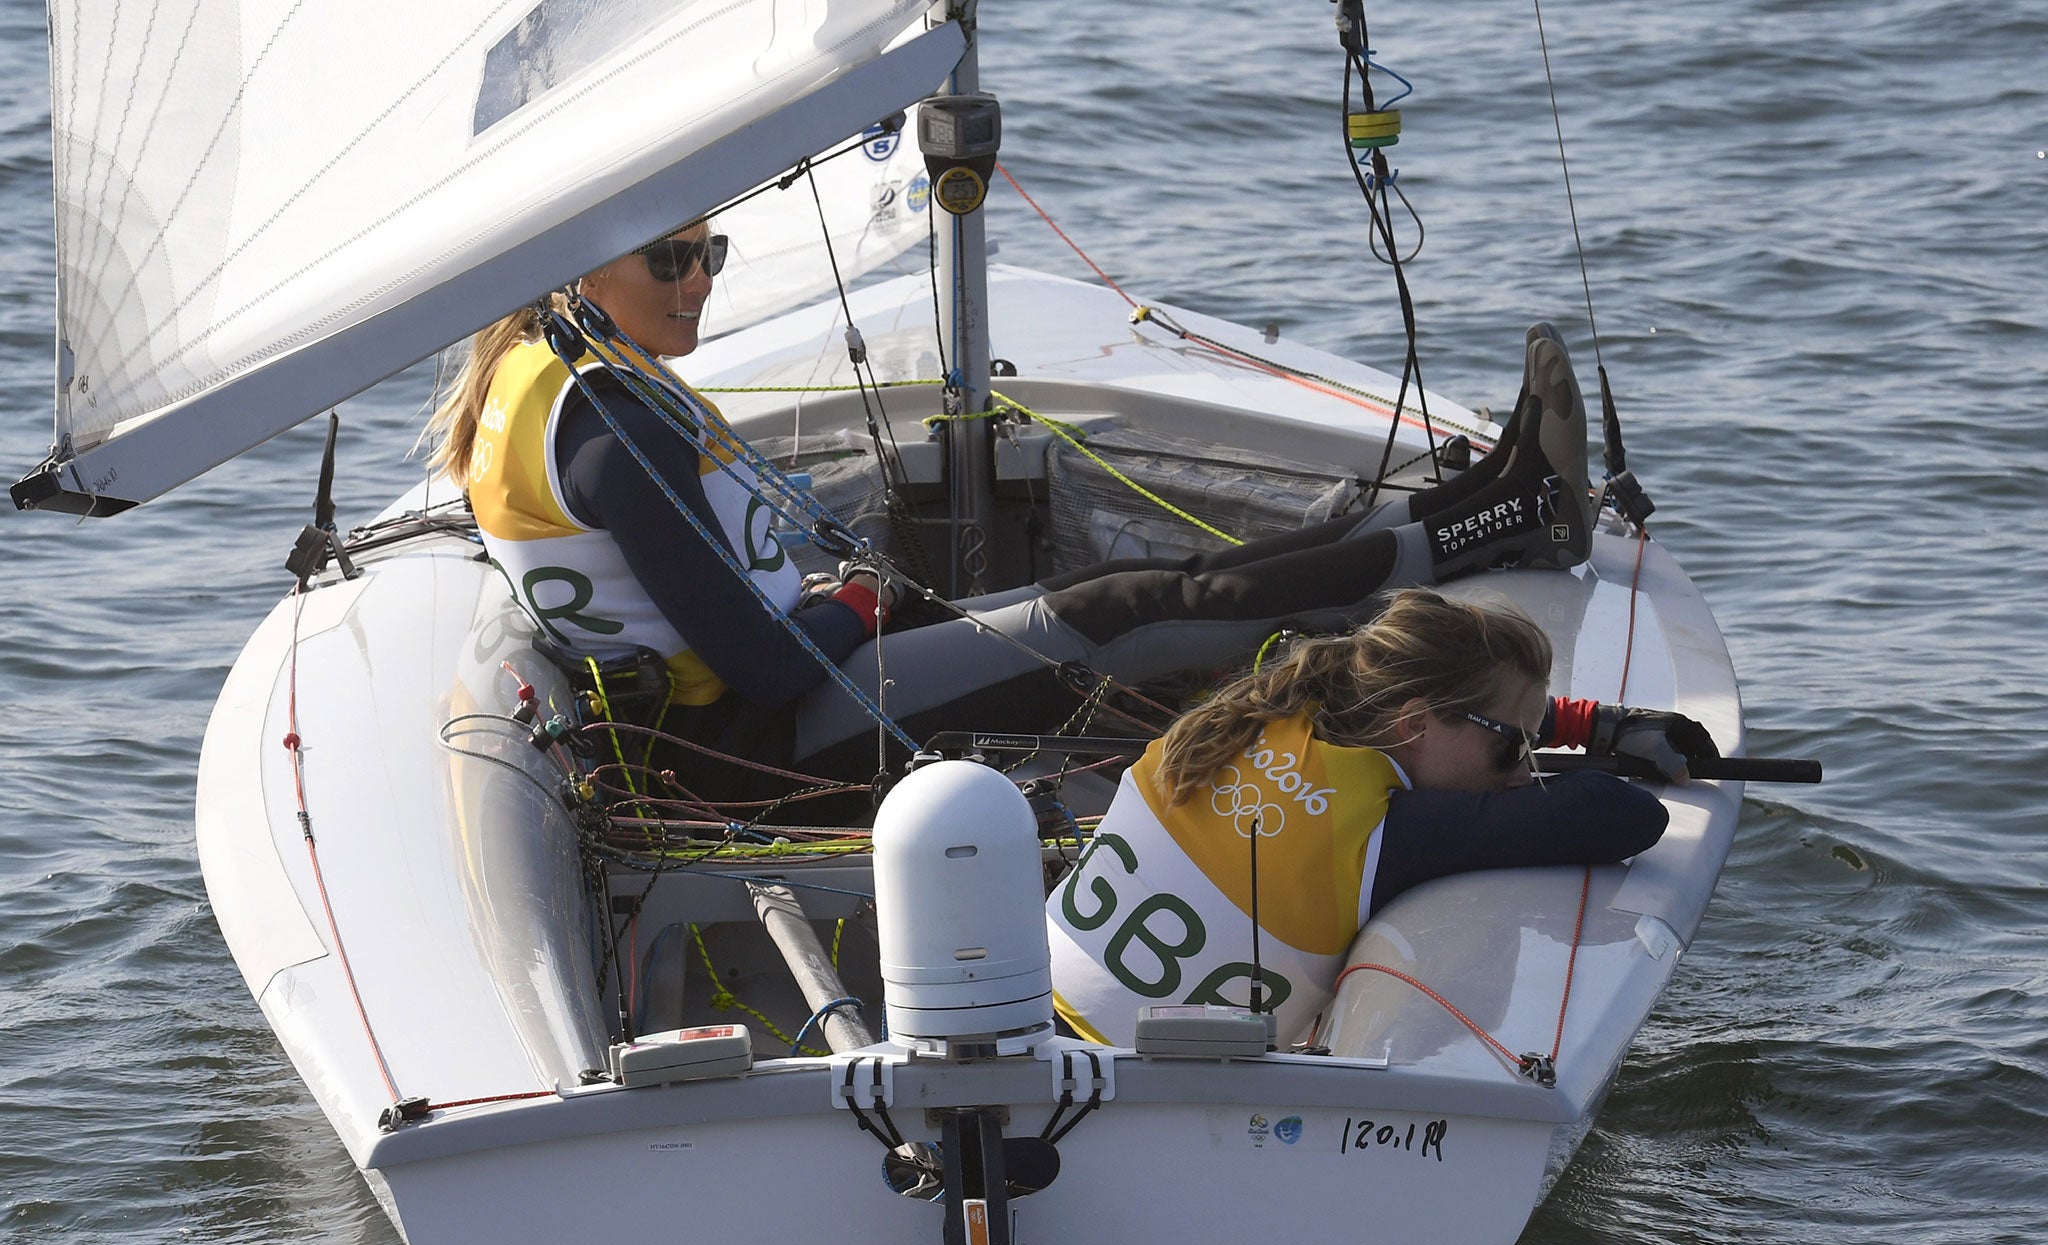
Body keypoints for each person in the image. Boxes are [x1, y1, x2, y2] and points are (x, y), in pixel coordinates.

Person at [430, 221, 1671, 808]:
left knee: (1169, 582)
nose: (699, 281)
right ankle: (1491, 532)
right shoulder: (611, 427)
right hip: (769, 740)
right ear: (575, 265)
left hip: (784, 693)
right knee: (1135, 613)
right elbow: (751, 654)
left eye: (710, 252)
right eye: (669, 261)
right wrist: (853, 604)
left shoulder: (546, 369)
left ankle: (1470, 511)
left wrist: (844, 607)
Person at [1045, 589, 1713, 1047]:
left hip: (1010, 1014)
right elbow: (1623, 816)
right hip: (1112, 1096)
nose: (1522, 772)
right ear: (1415, 722)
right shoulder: (1392, 837)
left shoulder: (1251, 718)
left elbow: (1459, 708)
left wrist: (1584, 721)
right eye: (1514, 746)